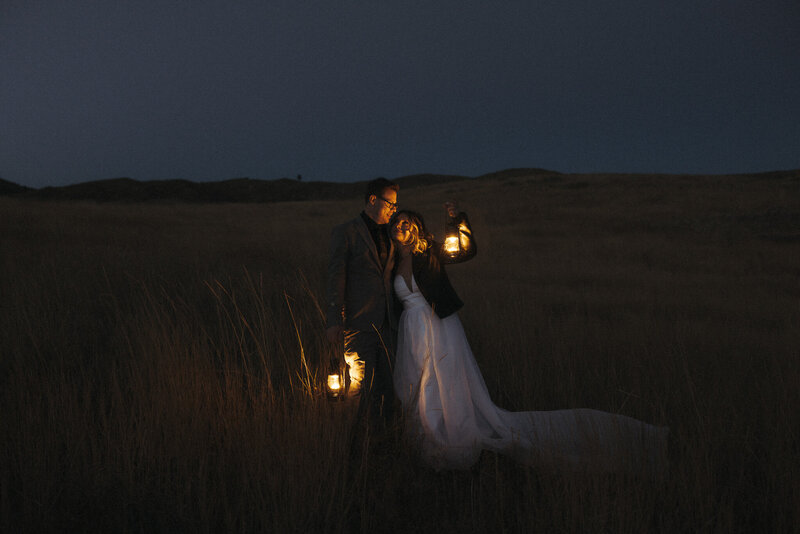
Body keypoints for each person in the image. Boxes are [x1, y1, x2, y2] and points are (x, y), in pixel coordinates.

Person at [390, 203, 669, 474]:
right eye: (397, 221)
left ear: (416, 229)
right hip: (410, 328)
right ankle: (420, 432)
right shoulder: (391, 258)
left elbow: (466, 251)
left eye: (407, 222)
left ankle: (444, 431)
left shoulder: (429, 252)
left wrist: (456, 222)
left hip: (438, 325)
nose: (401, 225)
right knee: (416, 380)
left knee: (441, 380)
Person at [326, 178, 399, 434]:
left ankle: (385, 438)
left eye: (395, 205)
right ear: (372, 200)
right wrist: (334, 319)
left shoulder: (393, 234)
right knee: (360, 387)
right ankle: (352, 439)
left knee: (389, 386)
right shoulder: (346, 232)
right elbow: (336, 278)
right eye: (390, 203)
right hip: (359, 323)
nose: (393, 209)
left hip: (389, 324)